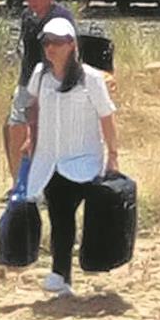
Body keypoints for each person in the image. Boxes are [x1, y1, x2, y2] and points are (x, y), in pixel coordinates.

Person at [24, 18, 118, 297]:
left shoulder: (90, 78)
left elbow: (107, 117)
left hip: (83, 160)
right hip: (50, 160)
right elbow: (34, 106)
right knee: (60, 218)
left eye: (57, 42)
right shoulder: (40, 74)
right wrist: (31, 135)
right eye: (47, 42)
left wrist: (113, 155)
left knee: (91, 218)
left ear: (71, 45)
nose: (51, 48)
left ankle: (92, 262)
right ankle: (61, 274)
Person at [4, 0, 74, 193]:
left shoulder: (61, 18)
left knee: (42, 135)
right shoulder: (28, 16)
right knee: (15, 128)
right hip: (27, 82)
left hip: (51, 84)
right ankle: (18, 184)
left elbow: (70, 52)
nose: (31, 0)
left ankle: (42, 184)